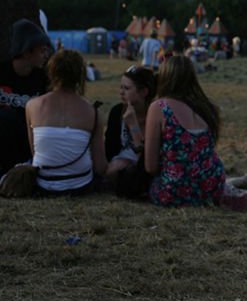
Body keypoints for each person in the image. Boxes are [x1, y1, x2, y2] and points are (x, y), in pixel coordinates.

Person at [144, 56, 225, 207]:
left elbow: (150, 166)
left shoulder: (159, 107)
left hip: (174, 191)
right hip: (212, 186)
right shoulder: (207, 107)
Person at [24, 49, 107, 195]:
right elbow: (100, 166)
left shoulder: (32, 106)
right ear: (80, 76)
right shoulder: (93, 112)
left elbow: (35, 153)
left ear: (51, 72)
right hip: (81, 185)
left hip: (44, 183)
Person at [1, 19, 51, 177]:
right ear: (26, 51)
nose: (46, 55)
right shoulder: (2, 72)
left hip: (28, 141)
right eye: (42, 51)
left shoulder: (43, 78)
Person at [105, 65, 157, 197]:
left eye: (127, 88)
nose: (121, 92)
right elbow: (110, 150)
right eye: (121, 87)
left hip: (148, 166)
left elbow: (150, 161)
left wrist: (133, 125)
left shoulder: (156, 114)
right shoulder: (117, 112)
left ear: (144, 92)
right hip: (120, 166)